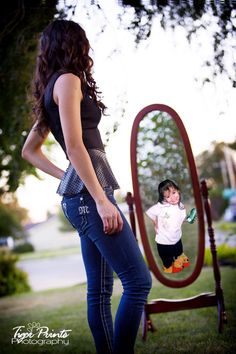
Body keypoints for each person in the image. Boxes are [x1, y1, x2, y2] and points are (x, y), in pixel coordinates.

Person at [22, 19, 152, 354]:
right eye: (82, 41)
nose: (86, 47)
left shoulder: (55, 85)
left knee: (99, 290)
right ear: (71, 43)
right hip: (89, 197)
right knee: (138, 282)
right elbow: (76, 146)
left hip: (80, 194)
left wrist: (69, 176)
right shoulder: (67, 80)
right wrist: (100, 199)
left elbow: (29, 151)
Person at [146, 179, 196, 274]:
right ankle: (169, 267)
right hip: (163, 242)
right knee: (167, 261)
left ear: (178, 190)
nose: (173, 197)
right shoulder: (161, 206)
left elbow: (179, 221)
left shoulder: (180, 206)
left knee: (178, 252)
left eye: (174, 192)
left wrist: (187, 219)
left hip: (176, 238)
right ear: (164, 199)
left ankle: (180, 260)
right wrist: (155, 222)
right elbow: (150, 212)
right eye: (168, 196)